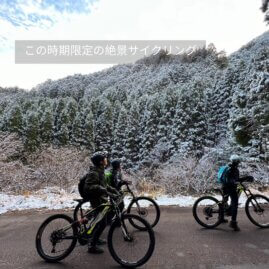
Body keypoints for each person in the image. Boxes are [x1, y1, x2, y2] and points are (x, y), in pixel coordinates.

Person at [83, 151, 119, 254]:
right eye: (104, 159)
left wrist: (114, 191)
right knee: (102, 223)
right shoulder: (94, 173)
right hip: (96, 201)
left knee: (100, 222)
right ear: (100, 162)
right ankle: (92, 246)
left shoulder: (100, 171)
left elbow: (105, 186)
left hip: (100, 200)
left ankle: (95, 239)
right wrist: (102, 189)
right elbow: (88, 187)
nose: (106, 160)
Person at [221, 154, 242, 231]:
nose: (239, 163)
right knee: (235, 204)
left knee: (224, 201)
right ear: (236, 162)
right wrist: (236, 182)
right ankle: (233, 223)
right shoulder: (233, 169)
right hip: (230, 188)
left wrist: (244, 178)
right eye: (238, 161)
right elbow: (232, 180)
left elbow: (235, 179)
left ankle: (221, 218)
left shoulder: (229, 167)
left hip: (224, 187)